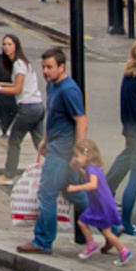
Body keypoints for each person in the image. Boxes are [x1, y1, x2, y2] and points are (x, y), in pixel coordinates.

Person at [17, 46, 88, 255]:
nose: (46, 71)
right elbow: (54, 117)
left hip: (63, 151)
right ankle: (111, 225)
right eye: (44, 67)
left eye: (50, 67)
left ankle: (43, 241)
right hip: (56, 146)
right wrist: (44, 141)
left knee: (46, 194)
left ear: (62, 67)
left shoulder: (68, 90)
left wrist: (79, 153)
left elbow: (81, 120)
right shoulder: (52, 86)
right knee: (73, 193)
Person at [0, 34, 45, 185]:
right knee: (41, 145)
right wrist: (2, 83)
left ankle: (8, 176)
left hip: (28, 108)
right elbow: (19, 85)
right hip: (38, 106)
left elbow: (17, 90)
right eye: (4, 44)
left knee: (14, 141)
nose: (6, 47)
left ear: (16, 46)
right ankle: (65, 170)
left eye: (10, 44)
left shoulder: (18, 65)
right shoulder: (24, 63)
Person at [67, 140, 131, 265]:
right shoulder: (92, 168)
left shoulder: (92, 170)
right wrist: (78, 169)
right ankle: (93, 245)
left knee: (106, 232)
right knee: (83, 222)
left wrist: (76, 188)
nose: (75, 158)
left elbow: (93, 185)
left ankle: (123, 251)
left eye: (77, 156)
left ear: (87, 155)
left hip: (102, 206)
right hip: (99, 205)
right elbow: (88, 176)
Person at [106, 37, 136, 236]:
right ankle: (126, 223)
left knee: (124, 162)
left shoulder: (128, 76)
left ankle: (103, 194)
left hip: (131, 131)